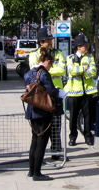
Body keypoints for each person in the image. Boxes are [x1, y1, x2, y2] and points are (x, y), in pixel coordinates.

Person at [24, 48, 66, 181]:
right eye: (51, 63)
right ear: (47, 61)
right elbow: (51, 91)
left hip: (32, 110)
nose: (51, 66)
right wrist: (60, 91)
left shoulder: (30, 72)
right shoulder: (44, 74)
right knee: (42, 142)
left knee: (34, 141)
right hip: (42, 111)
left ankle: (31, 170)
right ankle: (37, 173)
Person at [28, 27, 66, 160]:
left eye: (51, 39)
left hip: (55, 92)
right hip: (40, 94)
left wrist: (44, 70)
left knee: (56, 124)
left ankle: (56, 151)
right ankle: (39, 155)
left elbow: (62, 70)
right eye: (48, 40)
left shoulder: (58, 53)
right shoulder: (33, 54)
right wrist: (46, 70)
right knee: (40, 127)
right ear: (41, 41)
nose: (51, 42)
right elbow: (34, 70)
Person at [64, 34, 97, 146]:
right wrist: (84, 69)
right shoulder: (70, 58)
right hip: (74, 92)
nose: (86, 47)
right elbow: (71, 71)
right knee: (73, 117)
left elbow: (93, 71)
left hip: (87, 92)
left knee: (88, 116)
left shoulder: (90, 57)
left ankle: (88, 136)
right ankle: (73, 137)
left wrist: (81, 71)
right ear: (78, 46)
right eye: (84, 45)